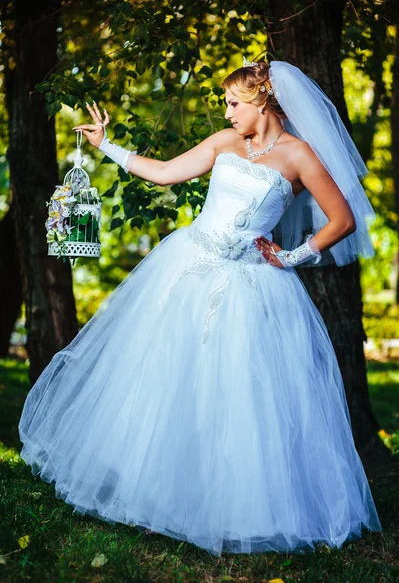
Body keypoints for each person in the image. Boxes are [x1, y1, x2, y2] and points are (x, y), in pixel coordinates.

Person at [19, 58, 382, 558]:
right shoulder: (225, 143)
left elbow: (341, 219)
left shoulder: (300, 156)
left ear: (263, 101)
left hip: (252, 287)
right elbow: (166, 174)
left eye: (234, 103)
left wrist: (291, 256)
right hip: (188, 268)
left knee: (238, 395)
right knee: (169, 379)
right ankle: (155, 492)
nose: (228, 111)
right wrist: (108, 147)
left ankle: (235, 507)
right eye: (227, 104)